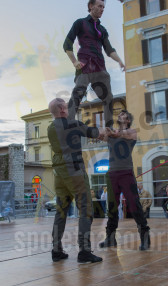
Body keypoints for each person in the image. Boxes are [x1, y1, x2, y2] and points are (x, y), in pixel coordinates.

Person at [48, 98, 105, 263]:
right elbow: (95, 133)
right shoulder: (72, 124)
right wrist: (108, 131)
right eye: (66, 106)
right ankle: (85, 251)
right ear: (63, 110)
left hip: (59, 172)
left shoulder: (50, 128)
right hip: (74, 170)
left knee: (61, 210)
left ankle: (56, 250)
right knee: (86, 209)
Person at [63, 0, 125, 128]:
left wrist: (119, 61)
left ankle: (108, 128)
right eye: (99, 6)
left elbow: (109, 49)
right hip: (84, 65)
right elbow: (67, 43)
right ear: (91, 6)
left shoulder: (102, 30)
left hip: (99, 67)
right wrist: (74, 62)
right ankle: (67, 123)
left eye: (103, 7)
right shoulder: (80, 23)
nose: (102, 9)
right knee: (78, 93)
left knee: (108, 98)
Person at [99, 110, 150, 250]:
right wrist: (104, 131)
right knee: (112, 207)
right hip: (112, 174)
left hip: (126, 173)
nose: (120, 116)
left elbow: (122, 134)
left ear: (127, 120)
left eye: (124, 115)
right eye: (119, 115)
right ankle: (110, 238)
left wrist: (112, 132)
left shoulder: (131, 132)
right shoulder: (111, 135)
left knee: (134, 205)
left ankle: (145, 237)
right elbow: (100, 136)